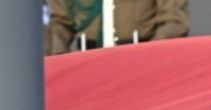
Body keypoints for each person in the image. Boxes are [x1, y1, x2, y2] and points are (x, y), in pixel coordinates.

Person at [45, 0, 188, 55]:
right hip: (88, 62)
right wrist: (59, 60)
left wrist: (149, 56)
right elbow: (60, 23)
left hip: (139, 57)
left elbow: (174, 22)